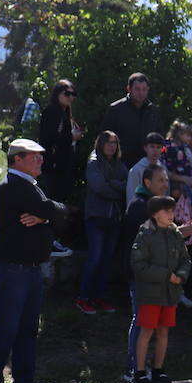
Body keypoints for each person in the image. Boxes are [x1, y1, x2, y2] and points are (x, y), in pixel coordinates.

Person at [0, 139, 67, 383]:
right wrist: (50, 214)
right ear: (17, 159)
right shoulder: (14, 187)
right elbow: (57, 210)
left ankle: (24, 382)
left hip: (29, 269)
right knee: (6, 327)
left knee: (28, 328)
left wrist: (46, 217)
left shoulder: (30, 187)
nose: (41, 160)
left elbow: (58, 213)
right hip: (13, 269)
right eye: (34, 156)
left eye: (41, 155)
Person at [129, 194, 190, 383]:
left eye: (172, 210)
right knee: (147, 331)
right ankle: (139, 372)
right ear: (155, 214)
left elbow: (185, 259)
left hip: (170, 293)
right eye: (166, 211)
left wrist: (180, 274)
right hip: (150, 293)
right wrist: (166, 275)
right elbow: (139, 265)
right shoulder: (145, 234)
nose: (171, 214)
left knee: (164, 331)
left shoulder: (175, 234)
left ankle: (158, 370)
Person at [78, 131, 128, 314]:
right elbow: (99, 187)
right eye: (108, 142)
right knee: (95, 258)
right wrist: (117, 187)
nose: (111, 146)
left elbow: (127, 184)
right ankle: (84, 297)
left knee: (107, 260)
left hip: (114, 218)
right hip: (96, 217)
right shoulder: (93, 162)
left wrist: (113, 184)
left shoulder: (119, 164)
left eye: (114, 142)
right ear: (101, 143)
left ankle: (99, 297)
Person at [101, 73, 162, 168]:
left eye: (144, 89)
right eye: (137, 89)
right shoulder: (116, 109)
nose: (141, 93)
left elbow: (160, 137)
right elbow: (104, 138)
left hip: (148, 164)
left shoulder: (153, 111)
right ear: (129, 89)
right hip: (122, 163)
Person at [37, 79, 83, 202]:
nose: (70, 97)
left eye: (73, 94)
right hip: (53, 167)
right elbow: (48, 138)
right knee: (53, 203)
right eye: (67, 94)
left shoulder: (66, 113)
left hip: (65, 167)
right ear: (57, 94)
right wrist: (72, 137)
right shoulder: (52, 111)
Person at [126, 132, 167, 199]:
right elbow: (131, 195)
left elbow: (166, 192)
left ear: (162, 149)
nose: (155, 150)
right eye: (152, 146)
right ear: (145, 148)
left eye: (158, 147)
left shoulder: (163, 169)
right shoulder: (136, 170)